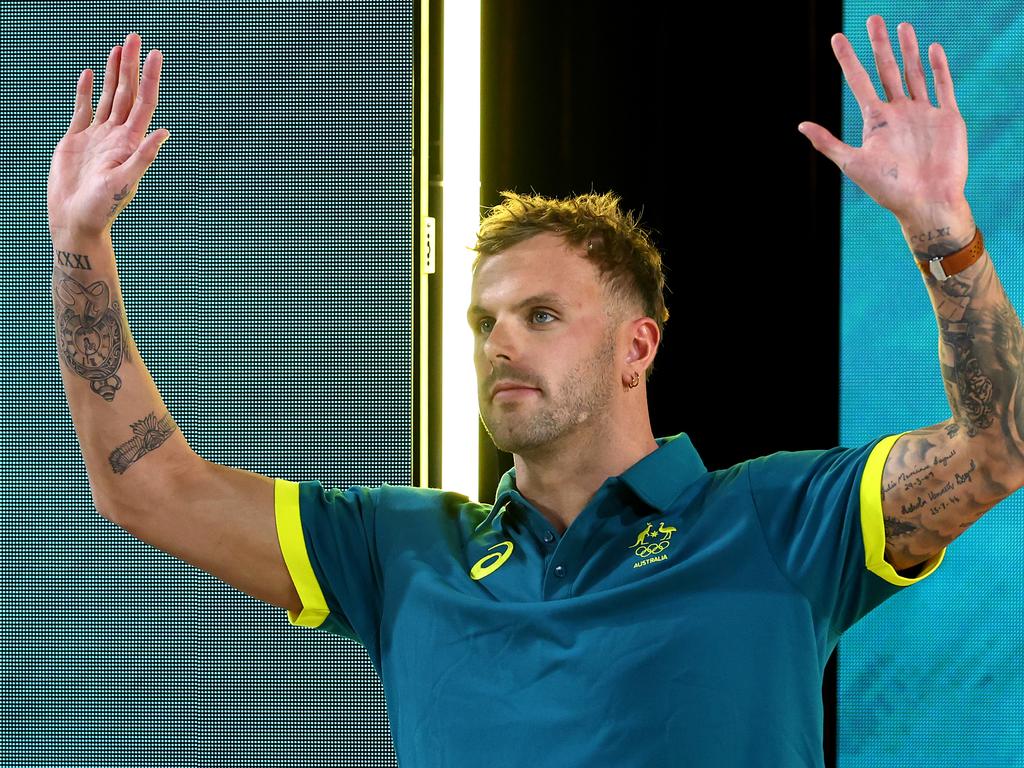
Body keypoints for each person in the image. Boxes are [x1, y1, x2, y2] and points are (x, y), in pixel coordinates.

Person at [46, 14, 1024, 768]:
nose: (499, 343)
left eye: (541, 316)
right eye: (483, 322)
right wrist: (81, 246)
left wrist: (942, 229)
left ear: (637, 346)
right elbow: (144, 487)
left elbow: (999, 451)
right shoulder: (401, 552)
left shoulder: (776, 519)